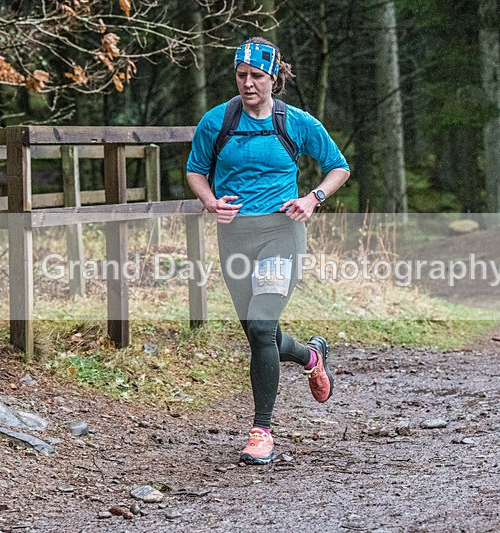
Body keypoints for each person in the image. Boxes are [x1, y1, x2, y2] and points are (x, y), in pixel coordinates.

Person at [185, 37, 351, 464]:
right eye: (241, 75)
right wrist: (210, 202)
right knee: (260, 331)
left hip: (281, 233)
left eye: (257, 76)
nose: (247, 83)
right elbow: (195, 171)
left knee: (261, 327)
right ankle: (311, 356)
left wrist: (313, 197)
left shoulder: (295, 122)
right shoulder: (217, 122)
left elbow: (339, 167)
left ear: (274, 78)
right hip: (235, 236)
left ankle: (261, 432)